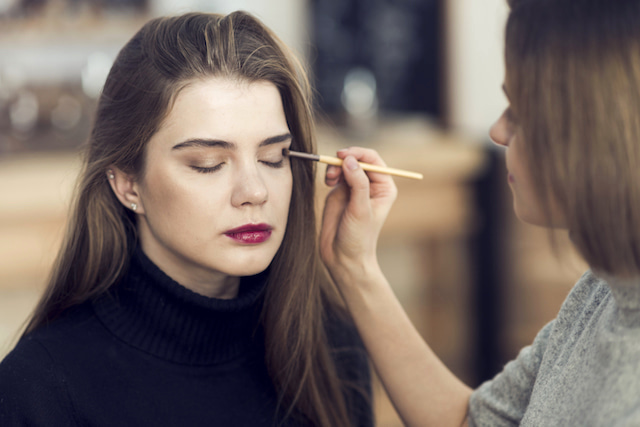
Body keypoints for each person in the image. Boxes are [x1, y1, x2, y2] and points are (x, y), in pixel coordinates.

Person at [0, 11, 372, 427]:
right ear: (127, 184)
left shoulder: (329, 347)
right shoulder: (40, 389)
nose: (255, 191)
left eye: (273, 158)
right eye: (208, 164)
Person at [319, 0, 640, 425]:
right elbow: (471, 421)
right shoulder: (604, 289)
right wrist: (354, 265)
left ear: (591, 131)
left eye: (520, 114)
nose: (497, 131)